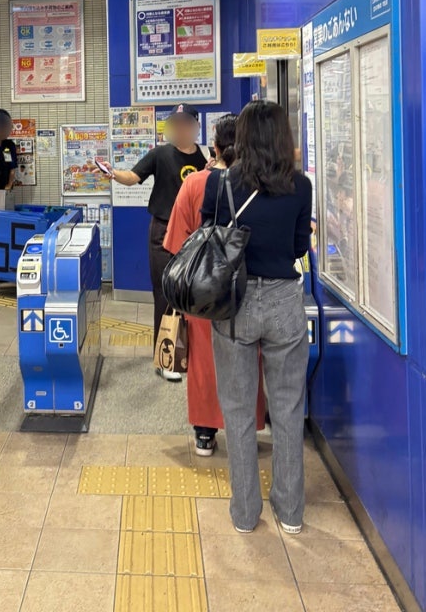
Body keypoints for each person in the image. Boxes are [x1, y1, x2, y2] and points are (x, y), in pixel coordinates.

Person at [201, 100, 311, 535]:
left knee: (239, 411)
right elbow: (300, 246)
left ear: (242, 136)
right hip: (285, 302)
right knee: (287, 409)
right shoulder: (300, 186)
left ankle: (246, 514)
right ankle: (290, 512)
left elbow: (208, 241)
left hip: (235, 304)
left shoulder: (221, 184)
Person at [163, 115, 266, 456]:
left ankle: (205, 433)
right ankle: (246, 429)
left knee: (206, 360)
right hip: (250, 289)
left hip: (205, 292)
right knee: (250, 358)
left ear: (215, 146)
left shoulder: (195, 184)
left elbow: (177, 241)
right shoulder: (261, 184)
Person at [101, 103, 206, 382]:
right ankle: (165, 358)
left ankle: (191, 353)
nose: (180, 128)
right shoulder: (160, 154)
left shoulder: (203, 158)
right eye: (176, 123)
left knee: (192, 295)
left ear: (196, 126)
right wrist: (113, 173)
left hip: (193, 236)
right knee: (165, 294)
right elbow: (133, 177)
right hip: (162, 232)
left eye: (185, 123)